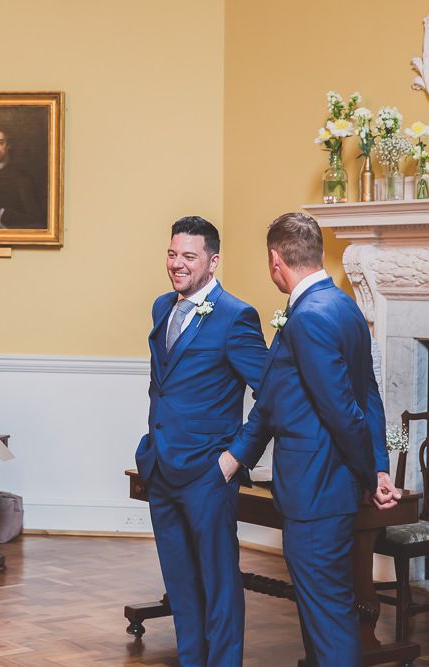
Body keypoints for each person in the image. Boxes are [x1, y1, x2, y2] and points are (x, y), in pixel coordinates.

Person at [224, 212, 401, 666]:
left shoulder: (307, 318)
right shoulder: (345, 307)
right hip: (333, 486)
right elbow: (370, 394)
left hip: (315, 490)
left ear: (275, 259)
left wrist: (370, 473)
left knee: (326, 615)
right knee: (330, 610)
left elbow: (341, 410)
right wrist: (379, 466)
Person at [135, 216, 267, 667]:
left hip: (209, 475)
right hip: (161, 468)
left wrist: (235, 458)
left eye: (188, 256)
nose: (177, 264)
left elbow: (272, 393)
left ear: (213, 261)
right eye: (172, 254)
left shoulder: (236, 317)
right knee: (181, 584)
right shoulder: (161, 307)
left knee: (220, 583)